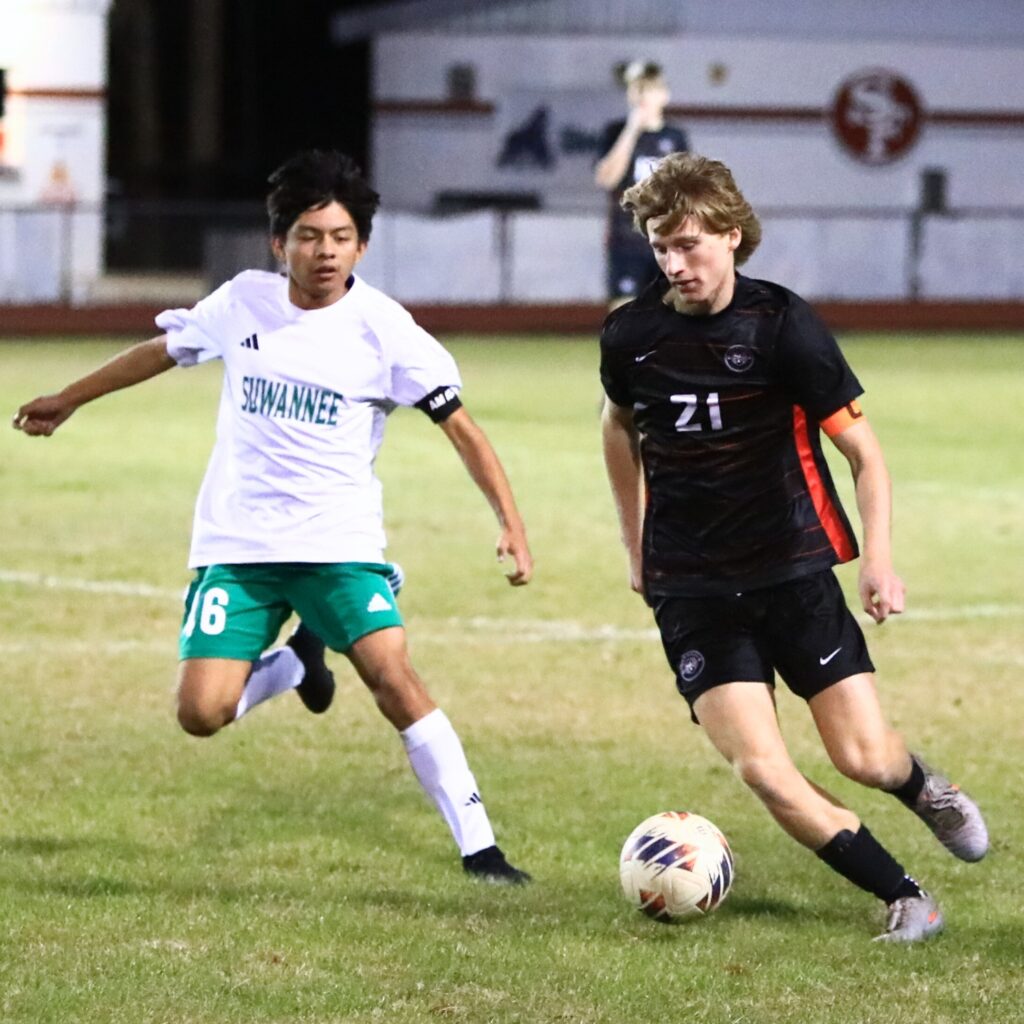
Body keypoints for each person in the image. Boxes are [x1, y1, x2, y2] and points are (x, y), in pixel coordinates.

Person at [13, 149, 533, 885]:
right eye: (310, 236)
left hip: (339, 547)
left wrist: (509, 522)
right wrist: (69, 397)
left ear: (362, 245)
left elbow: (463, 429)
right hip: (239, 545)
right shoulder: (242, 303)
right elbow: (161, 352)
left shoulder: (384, 329)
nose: (325, 252)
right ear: (277, 242)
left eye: (340, 237)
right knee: (200, 713)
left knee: (394, 677)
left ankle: (482, 850)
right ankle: (294, 661)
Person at [599, 152, 988, 941]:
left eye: (690, 245)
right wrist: (634, 540)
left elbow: (863, 451)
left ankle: (921, 788)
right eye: (660, 248)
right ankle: (906, 897)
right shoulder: (632, 334)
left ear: (733, 237)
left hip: (793, 570)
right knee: (763, 770)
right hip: (692, 587)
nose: (675, 265)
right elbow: (616, 426)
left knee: (862, 758)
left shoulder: (784, 326)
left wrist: (877, 559)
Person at [594, 60, 688, 307]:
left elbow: (685, 190)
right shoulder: (615, 132)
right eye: (637, 89)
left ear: (664, 95)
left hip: (665, 243)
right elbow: (606, 179)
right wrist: (631, 131)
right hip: (626, 241)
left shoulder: (675, 138)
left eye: (650, 89)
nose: (643, 96)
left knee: (671, 317)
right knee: (623, 316)